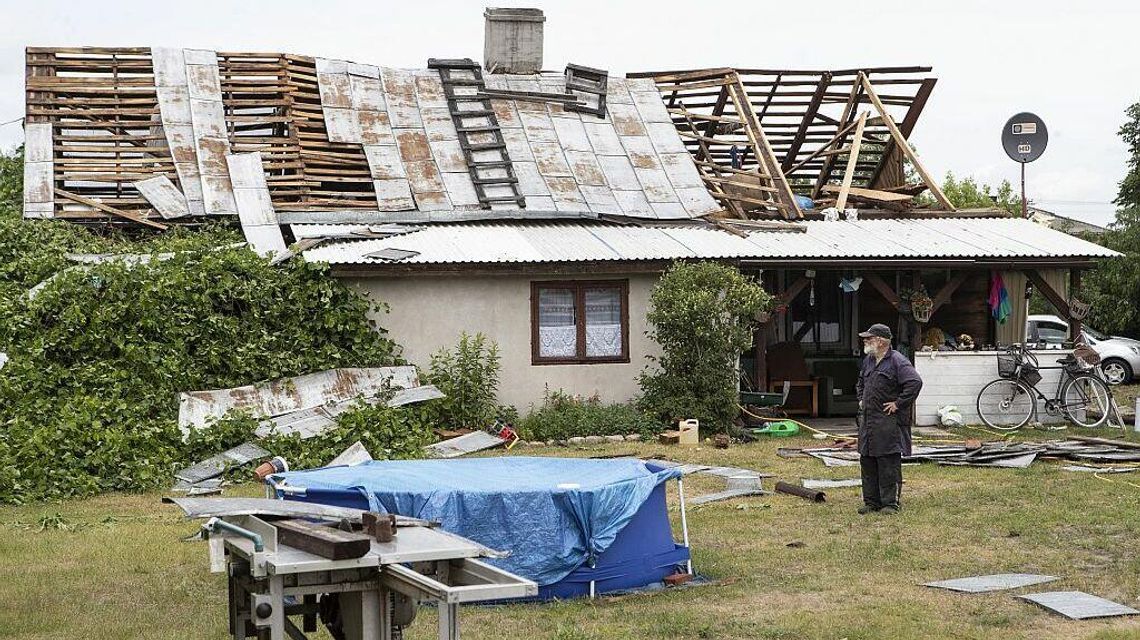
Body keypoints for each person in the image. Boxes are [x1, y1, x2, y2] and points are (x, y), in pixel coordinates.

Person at [855, 323, 923, 515]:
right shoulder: (869, 360)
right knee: (867, 460)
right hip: (868, 420)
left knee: (887, 462)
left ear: (880, 341)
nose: (865, 341)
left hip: (888, 421)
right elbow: (860, 383)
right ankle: (871, 502)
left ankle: (890, 503)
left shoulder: (897, 361)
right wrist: (861, 399)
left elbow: (915, 382)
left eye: (869, 338)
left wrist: (898, 404)